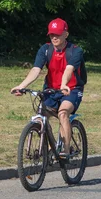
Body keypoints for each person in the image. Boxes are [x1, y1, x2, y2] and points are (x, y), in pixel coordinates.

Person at [11, 18, 85, 159]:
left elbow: (69, 69)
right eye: (51, 34)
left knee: (63, 113)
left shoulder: (75, 51)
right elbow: (36, 69)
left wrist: (64, 84)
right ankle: (48, 147)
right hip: (51, 89)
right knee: (41, 116)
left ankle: (66, 150)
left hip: (72, 89)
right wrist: (21, 86)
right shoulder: (45, 50)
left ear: (66, 34)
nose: (54, 38)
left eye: (57, 34)